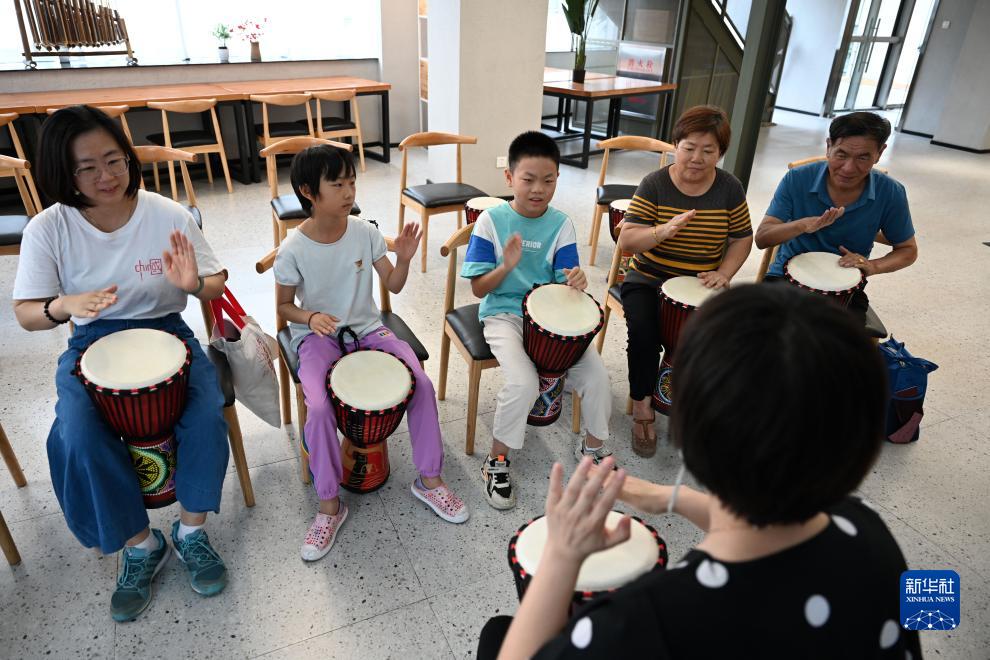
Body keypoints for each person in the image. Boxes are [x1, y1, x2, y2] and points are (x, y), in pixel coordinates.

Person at [476, 284, 923, 659]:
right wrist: (673, 497)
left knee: (498, 634)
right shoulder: (871, 532)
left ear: (691, 433)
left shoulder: (648, 621)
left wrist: (562, 557)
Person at [11, 106, 230, 622]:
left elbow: (216, 281)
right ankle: (140, 544)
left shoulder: (167, 214)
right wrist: (63, 306)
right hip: (92, 343)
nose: (105, 176)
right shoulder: (49, 228)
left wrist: (194, 284)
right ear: (63, 173)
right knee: (78, 435)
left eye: (113, 160)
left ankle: (191, 532)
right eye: (86, 167)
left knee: (206, 414)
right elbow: (26, 312)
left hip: (167, 332)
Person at [273, 145, 469, 562]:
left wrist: (405, 259)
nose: (349, 192)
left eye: (351, 182)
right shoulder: (293, 248)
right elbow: (284, 308)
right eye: (337, 184)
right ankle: (329, 505)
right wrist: (310, 317)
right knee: (319, 407)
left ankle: (430, 481)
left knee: (420, 384)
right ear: (308, 191)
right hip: (317, 337)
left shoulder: (365, 232)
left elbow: (393, 285)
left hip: (368, 329)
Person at [461, 131, 612, 511]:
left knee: (597, 377)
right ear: (509, 177)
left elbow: (565, 280)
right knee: (522, 381)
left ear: (558, 179)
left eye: (548, 180)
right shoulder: (491, 221)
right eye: (528, 179)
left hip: (551, 316)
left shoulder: (561, 224)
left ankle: (592, 450)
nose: (538, 189)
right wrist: (506, 266)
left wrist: (576, 280)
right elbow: (479, 289)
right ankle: (496, 461)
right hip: (504, 314)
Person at [616, 105, 753, 457]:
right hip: (648, 278)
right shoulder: (655, 183)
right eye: (689, 147)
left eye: (708, 151)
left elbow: (742, 238)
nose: (697, 158)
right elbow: (627, 240)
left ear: (720, 153)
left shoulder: (729, 187)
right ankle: (643, 407)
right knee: (644, 335)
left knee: (718, 340)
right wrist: (662, 231)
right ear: (675, 145)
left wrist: (724, 273)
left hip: (700, 282)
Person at [755, 111, 918, 321]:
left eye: (863, 157)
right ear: (828, 146)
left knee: (838, 338)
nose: (849, 168)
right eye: (841, 155)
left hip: (846, 288)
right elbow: (762, 238)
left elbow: (908, 250)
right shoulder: (798, 178)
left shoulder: (891, 192)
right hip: (785, 278)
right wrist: (801, 225)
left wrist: (873, 266)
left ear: (879, 153)